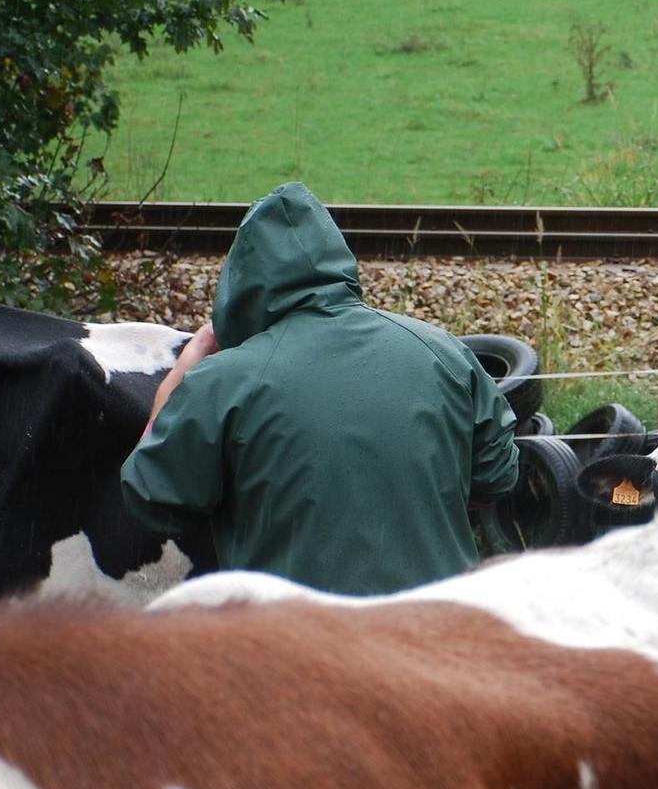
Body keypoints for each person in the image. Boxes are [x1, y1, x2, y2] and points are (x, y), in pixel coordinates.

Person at [122, 181, 518, 595]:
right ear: (339, 260)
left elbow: (151, 501)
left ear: (241, 285)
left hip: (299, 633)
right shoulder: (444, 353)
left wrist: (181, 375)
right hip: (435, 624)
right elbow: (499, 476)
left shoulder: (222, 381)